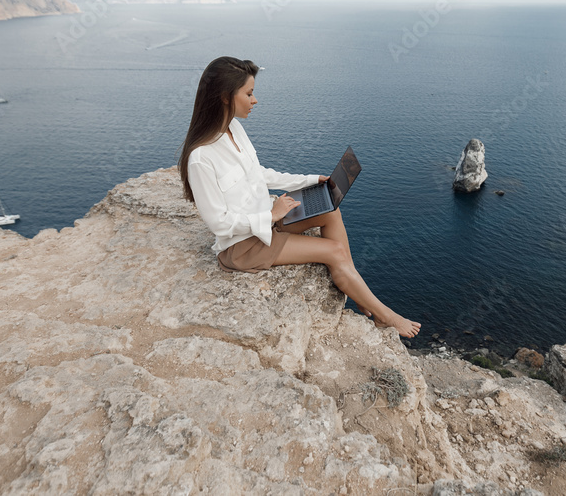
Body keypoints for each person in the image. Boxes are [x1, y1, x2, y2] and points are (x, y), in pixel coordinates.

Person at [178, 57, 420, 338]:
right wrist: (271, 215)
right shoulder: (201, 158)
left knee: (331, 210)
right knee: (335, 252)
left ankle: (352, 280)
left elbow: (260, 174)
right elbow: (218, 224)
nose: (254, 100)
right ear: (224, 97)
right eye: (248, 93)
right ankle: (383, 314)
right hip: (243, 247)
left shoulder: (235, 130)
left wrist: (309, 180)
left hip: (267, 224)